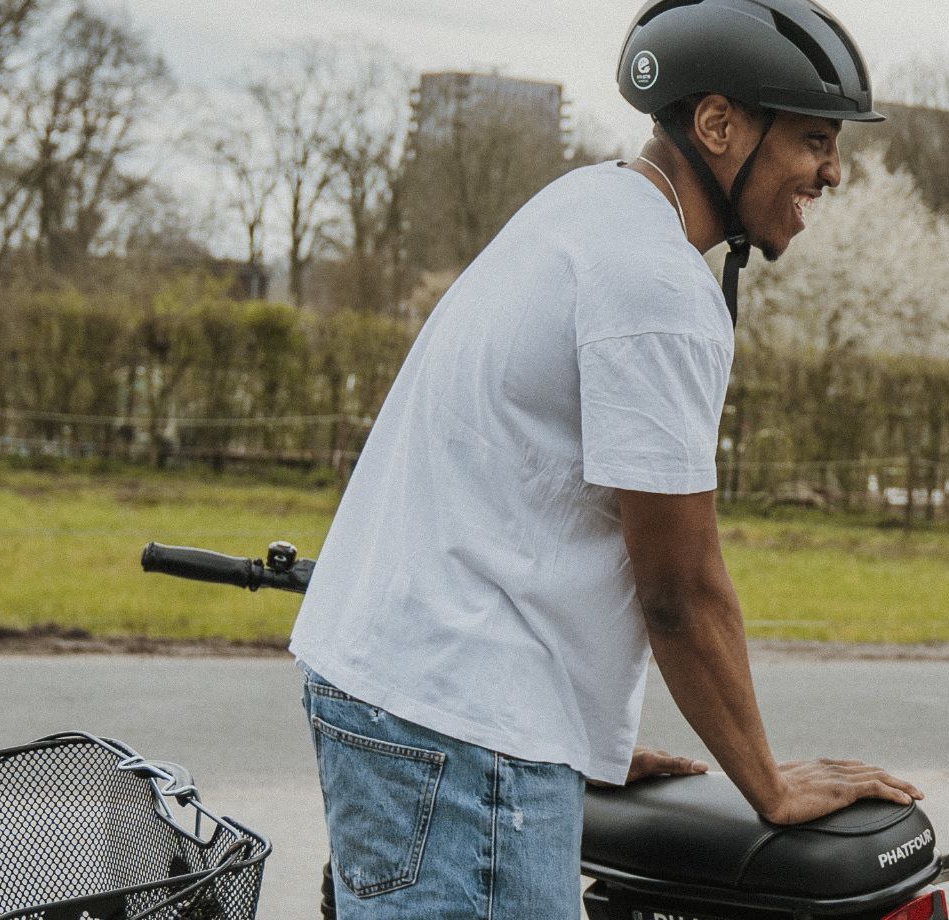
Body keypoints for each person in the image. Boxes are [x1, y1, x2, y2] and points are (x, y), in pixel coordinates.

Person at [286, 0, 917, 915]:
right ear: (718, 123)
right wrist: (768, 785)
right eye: (815, 139)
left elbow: (511, 485)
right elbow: (681, 590)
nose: (833, 171)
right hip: (464, 730)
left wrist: (586, 734)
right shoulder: (655, 283)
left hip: (391, 688)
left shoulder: (582, 207)